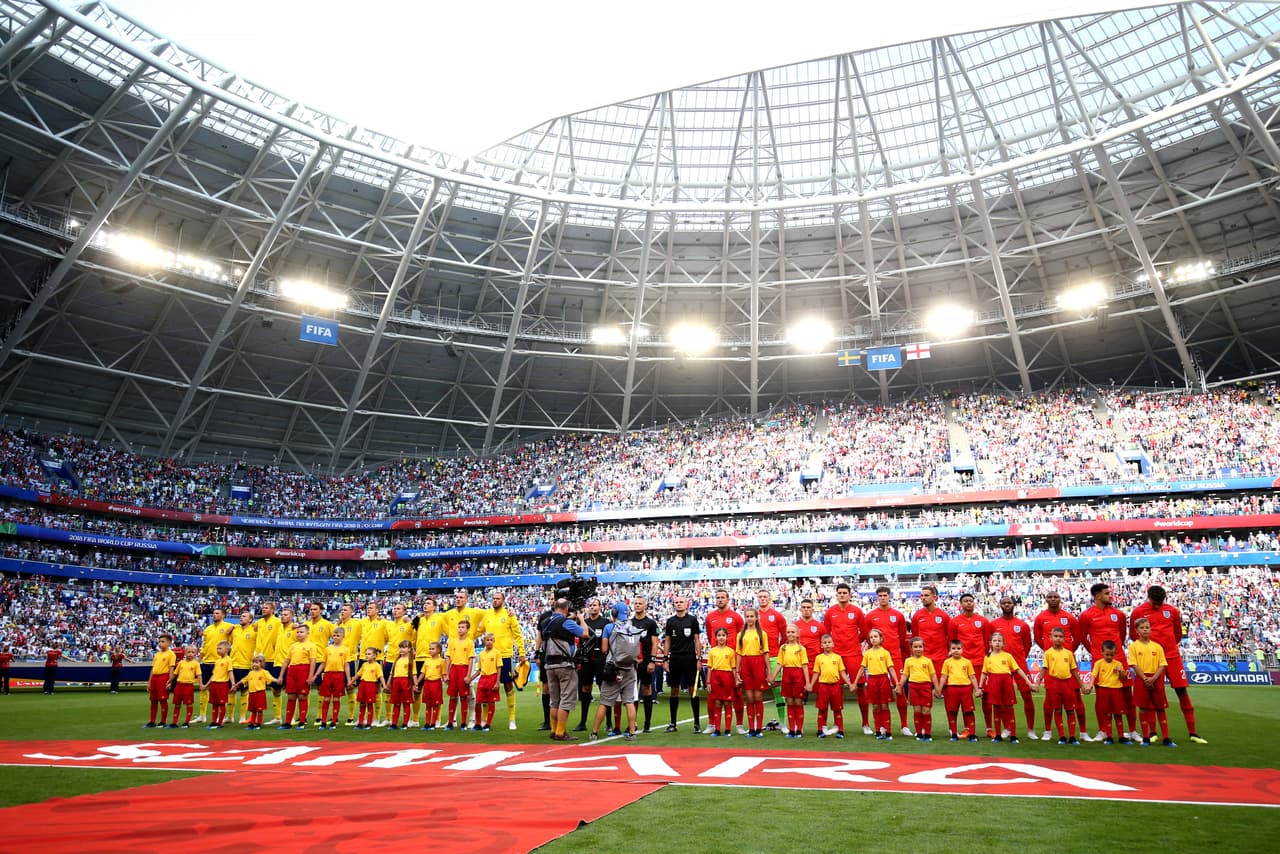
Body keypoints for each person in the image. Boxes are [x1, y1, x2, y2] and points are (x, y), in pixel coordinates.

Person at [1130, 585, 1206, 743]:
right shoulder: (1138, 611)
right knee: (1150, 693)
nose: (1157, 605)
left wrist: (1167, 647)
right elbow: (1133, 634)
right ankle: (1152, 733)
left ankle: (1193, 732)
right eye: (1154, 603)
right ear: (1148, 598)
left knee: (1182, 691)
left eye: (1160, 602)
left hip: (1172, 657)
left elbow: (1178, 633)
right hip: (1151, 658)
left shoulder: (1172, 611)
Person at [1079, 582, 1136, 742]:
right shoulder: (1086, 615)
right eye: (1106, 593)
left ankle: (1132, 730)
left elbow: (1123, 635)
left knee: (1127, 696)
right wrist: (1096, 652)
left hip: (1120, 660)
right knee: (1102, 699)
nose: (1110, 596)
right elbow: (1083, 637)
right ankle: (1103, 730)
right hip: (1100, 661)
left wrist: (1115, 653)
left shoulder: (1118, 614)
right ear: (1097, 596)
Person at [1033, 590, 1086, 740]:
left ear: (1060, 599)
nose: (1053, 599)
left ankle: (1083, 732)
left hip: (1068, 661)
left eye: (1055, 597)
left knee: (1077, 698)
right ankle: (1048, 730)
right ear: (1046, 599)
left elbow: (1078, 637)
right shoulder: (1040, 618)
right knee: (1049, 700)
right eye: (1050, 597)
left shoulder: (1069, 617)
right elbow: (1038, 638)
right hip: (1052, 664)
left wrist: (1068, 651)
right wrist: (1050, 652)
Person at [538, 598, 591, 742]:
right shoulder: (566, 622)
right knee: (566, 700)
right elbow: (585, 633)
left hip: (549, 665)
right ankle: (560, 732)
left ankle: (554, 730)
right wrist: (580, 618)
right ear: (566, 609)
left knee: (554, 700)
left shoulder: (545, 622)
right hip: (565, 664)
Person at [592, 602, 642, 740]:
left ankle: (594, 732)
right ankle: (632, 732)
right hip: (630, 669)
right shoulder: (632, 628)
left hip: (614, 669)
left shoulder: (609, 627)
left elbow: (604, 649)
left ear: (614, 613)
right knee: (629, 701)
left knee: (605, 701)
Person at [865, 586, 912, 735]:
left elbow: (902, 637)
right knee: (879, 695)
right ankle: (881, 725)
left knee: (900, 691)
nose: (883, 598)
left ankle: (904, 725)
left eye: (885, 595)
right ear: (877, 597)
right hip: (877, 659)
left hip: (895, 657)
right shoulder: (871, 616)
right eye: (880, 595)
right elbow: (868, 637)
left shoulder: (898, 615)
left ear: (889, 596)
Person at [822, 582, 868, 733]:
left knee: (860, 687)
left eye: (844, 592)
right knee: (836, 689)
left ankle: (865, 724)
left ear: (849, 594)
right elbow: (826, 634)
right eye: (839, 593)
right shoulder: (830, 612)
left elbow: (864, 632)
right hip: (836, 656)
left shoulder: (857, 611)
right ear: (836, 594)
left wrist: (855, 642)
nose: (842, 595)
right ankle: (837, 724)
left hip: (854, 654)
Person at [478, 591, 526, 731]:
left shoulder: (509, 614)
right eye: (493, 598)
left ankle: (512, 719)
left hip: (505, 655)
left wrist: (521, 653)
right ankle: (485, 719)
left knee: (508, 686)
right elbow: (479, 631)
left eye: (498, 598)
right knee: (486, 687)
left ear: (503, 600)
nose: (495, 600)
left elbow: (518, 635)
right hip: (488, 656)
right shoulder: (487, 614)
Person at [990, 595, 1038, 738]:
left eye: (1009, 602)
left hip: (1019, 665)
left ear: (1014, 605)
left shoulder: (1022, 625)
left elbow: (1027, 644)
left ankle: (1031, 729)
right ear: (1000, 605)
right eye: (1003, 603)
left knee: (1027, 696)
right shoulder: (993, 624)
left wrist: (1019, 658)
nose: (1006, 605)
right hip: (1001, 667)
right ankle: (1007, 728)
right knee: (1003, 699)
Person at [947, 593, 993, 736]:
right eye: (965, 601)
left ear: (974, 603)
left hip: (980, 662)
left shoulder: (983, 621)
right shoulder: (954, 622)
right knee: (965, 698)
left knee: (986, 696)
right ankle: (967, 728)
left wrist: (982, 655)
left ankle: (989, 728)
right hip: (963, 664)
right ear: (961, 604)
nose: (968, 603)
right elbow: (953, 642)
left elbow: (987, 642)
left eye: (971, 601)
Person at [978, 631, 1035, 743]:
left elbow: (1017, 669)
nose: (997, 643)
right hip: (994, 683)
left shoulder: (1008, 656)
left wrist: (1028, 682)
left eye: (999, 641)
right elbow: (984, 673)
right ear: (990, 643)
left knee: (1009, 708)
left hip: (1006, 683)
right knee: (996, 708)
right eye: (995, 641)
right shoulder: (987, 657)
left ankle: (1013, 735)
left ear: (1003, 644)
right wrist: (980, 687)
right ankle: (998, 735)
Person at [704, 589, 747, 735]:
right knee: (713, 696)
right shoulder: (710, 617)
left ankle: (739, 724)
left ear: (728, 599)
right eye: (718, 597)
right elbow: (710, 637)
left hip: (733, 661)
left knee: (737, 693)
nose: (720, 600)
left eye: (723, 597)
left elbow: (742, 637)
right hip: (718, 662)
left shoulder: (736, 617)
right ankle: (712, 724)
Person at [1129, 617, 1174, 747]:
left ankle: (1166, 737)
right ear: (1137, 630)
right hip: (1142, 679)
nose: (1145, 630)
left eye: (1147, 627)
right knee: (1143, 708)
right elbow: (1134, 664)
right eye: (1142, 628)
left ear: (1151, 629)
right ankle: (1146, 737)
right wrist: (1145, 678)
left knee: (1160, 708)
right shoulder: (1134, 646)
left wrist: (1154, 678)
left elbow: (1163, 664)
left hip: (1156, 679)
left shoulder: (1157, 646)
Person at [662, 594, 702, 733]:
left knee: (692, 689)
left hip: (690, 658)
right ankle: (673, 723)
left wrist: (699, 658)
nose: (679, 604)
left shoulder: (692, 620)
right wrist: (665, 659)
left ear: (687, 604)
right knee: (674, 690)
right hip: (675, 658)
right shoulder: (670, 621)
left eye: (681, 602)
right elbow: (667, 640)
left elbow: (697, 639)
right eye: (676, 602)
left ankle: (697, 723)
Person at [1042, 627, 1089, 745]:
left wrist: (1082, 685)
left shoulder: (1068, 653)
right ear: (1051, 638)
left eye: (1061, 637)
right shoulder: (1048, 653)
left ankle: (1072, 736)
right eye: (1056, 636)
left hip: (1067, 684)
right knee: (1057, 710)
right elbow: (1044, 669)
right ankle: (1062, 736)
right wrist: (1037, 682)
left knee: (1070, 710)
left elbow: (1074, 671)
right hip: (1054, 684)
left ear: (1064, 639)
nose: (1058, 639)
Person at [856, 628, 900, 740]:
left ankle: (888, 730)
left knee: (884, 705)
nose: (873, 639)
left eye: (875, 636)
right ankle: (878, 729)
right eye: (871, 637)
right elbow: (862, 668)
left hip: (883, 679)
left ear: (881, 638)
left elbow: (891, 668)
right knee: (875, 705)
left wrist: (897, 683)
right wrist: (855, 682)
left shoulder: (885, 653)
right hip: (872, 680)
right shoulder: (867, 653)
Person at [574, 598, 610, 732]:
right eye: (590, 605)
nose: (592, 607)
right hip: (587, 660)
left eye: (595, 605)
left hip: (601, 659)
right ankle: (583, 721)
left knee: (604, 690)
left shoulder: (605, 622)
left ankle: (609, 722)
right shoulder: (584, 622)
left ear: (600, 607)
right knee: (585, 689)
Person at [806, 633, 851, 738]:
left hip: (835, 686)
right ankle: (820, 729)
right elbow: (816, 673)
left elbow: (842, 672)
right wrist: (811, 684)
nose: (827, 644)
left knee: (837, 709)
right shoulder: (819, 658)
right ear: (821, 645)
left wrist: (849, 683)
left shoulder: (838, 658)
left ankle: (840, 730)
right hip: (823, 687)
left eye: (829, 642)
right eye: (824, 643)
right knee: (822, 708)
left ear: (833, 644)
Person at [279, 623, 322, 730]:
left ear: (308, 633)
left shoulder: (311, 646)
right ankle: (288, 722)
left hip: (303, 670)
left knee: (302, 696)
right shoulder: (293, 646)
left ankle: (302, 721)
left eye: (301, 632)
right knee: (291, 696)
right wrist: (281, 675)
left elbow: (312, 661)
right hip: (292, 670)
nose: (299, 634)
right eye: (297, 632)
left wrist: (311, 676)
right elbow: (286, 661)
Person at [412, 597, 448, 728]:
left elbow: (449, 632)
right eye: (424, 603)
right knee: (417, 689)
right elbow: (413, 637)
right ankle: (415, 719)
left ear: (434, 606)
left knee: (435, 691)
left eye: (428, 603)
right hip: (419, 657)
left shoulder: (439, 619)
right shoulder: (419, 620)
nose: (425, 605)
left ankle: (436, 720)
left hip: (433, 659)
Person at [771, 624, 811, 738]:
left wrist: (807, 682)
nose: (790, 634)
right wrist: (773, 676)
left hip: (798, 675)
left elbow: (804, 666)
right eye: (788, 632)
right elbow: (780, 664)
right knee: (789, 702)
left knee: (798, 702)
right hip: (787, 674)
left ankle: (799, 729)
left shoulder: (801, 649)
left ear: (797, 634)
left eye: (793, 632)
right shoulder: (783, 648)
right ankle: (791, 729)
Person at [756, 589, 788, 730]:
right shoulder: (753, 615)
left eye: (765, 597)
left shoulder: (777, 616)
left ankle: (782, 722)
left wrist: (777, 650)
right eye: (760, 597)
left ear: (770, 599)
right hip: (756, 657)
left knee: (778, 690)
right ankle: (755, 723)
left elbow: (785, 636)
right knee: (756, 691)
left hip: (774, 656)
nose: (762, 599)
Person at [736, 608, 770, 738]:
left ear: (756, 618)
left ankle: (759, 728)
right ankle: (751, 728)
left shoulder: (762, 634)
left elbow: (766, 653)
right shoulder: (741, 635)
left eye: (751, 616)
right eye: (747, 616)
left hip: (758, 663)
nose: (749, 619)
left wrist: (769, 671)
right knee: (749, 697)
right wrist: (737, 671)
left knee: (758, 697)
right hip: (746, 663)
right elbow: (739, 654)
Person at [630, 596, 662, 733]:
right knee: (632, 692)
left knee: (646, 689)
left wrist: (652, 661)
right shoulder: (629, 623)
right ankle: (633, 722)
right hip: (631, 662)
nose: (637, 605)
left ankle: (647, 723)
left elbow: (655, 643)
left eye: (640, 603)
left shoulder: (651, 623)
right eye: (635, 603)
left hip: (646, 661)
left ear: (645, 606)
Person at [198, 608, 234, 723]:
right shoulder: (208, 629)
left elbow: (236, 637)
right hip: (207, 661)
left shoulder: (229, 626)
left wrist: (234, 627)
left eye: (217, 613)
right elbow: (204, 646)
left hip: (220, 662)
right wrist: (198, 660)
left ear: (223, 615)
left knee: (224, 691)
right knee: (204, 688)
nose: (214, 615)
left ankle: (229, 716)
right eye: (214, 613)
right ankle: (202, 715)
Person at [900, 637, 939, 742]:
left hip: (926, 687)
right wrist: (899, 685)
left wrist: (937, 688)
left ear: (924, 648)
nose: (918, 649)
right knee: (917, 710)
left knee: (926, 711)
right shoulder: (908, 661)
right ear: (911, 648)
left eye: (920, 646)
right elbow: (905, 675)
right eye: (915, 647)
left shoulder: (928, 661)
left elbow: (933, 675)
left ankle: (927, 733)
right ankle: (919, 733)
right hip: (913, 687)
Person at [1091, 640, 1130, 744]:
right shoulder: (1098, 663)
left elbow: (1123, 678)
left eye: (1111, 655)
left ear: (1115, 653)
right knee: (1107, 714)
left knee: (1118, 714)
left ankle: (1121, 736)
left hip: (1116, 690)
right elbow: (1093, 675)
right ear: (1102, 652)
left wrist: (1122, 672)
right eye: (1107, 654)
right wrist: (1090, 684)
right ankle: (1109, 737)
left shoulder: (1118, 664)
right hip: (1104, 690)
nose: (1109, 657)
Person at [384, 603, 417, 725]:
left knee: (406, 697)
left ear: (404, 611)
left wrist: (409, 619)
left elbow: (417, 626)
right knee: (388, 691)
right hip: (391, 659)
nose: (396, 611)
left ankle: (411, 720)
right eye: (395, 608)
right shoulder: (389, 625)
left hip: (404, 662)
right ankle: (388, 719)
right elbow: (385, 639)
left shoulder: (408, 625)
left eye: (398, 609)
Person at [358, 603, 390, 725]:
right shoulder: (362, 622)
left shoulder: (383, 622)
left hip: (377, 658)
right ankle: (363, 718)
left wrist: (377, 649)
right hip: (363, 657)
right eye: (367, 608)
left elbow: (387, 637)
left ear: (377, 610)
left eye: (371, 608)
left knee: (377, 689)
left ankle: (376, 718)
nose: (368, 609)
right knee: (364, 686)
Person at [939, 639, 977, 742]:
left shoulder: (967, 662)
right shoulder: (947, 662)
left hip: (965, 689)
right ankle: (954, 734)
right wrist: (939, 689)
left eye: (958, 648)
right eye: (953, 648)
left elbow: (972, 677)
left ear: (962, 650)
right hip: (952, 689)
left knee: (969, 712)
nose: (956, 651)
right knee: (952, 712)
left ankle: (972, 734)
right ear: (950, 650)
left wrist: (977, 689)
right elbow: (943, 676)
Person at [910, 585, 951, 678]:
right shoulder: (917, 616)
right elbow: (915, 637)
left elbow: (949, 636)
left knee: (941, 687)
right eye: (922, 595)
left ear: (934, 597)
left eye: (926, 595)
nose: (923, 598)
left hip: (940, 657)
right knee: (924, 685)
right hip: (923, 657)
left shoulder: (943, 616)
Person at [305, 603, 336, 724]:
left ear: (321, 611)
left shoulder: (327, 624)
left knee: (320, 688)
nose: (312, 611)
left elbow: (338, 636)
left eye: (315, 609)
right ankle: (303, 717)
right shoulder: (306, 624)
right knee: (303, 689)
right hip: (305, 660)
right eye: (311, 609)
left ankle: (319, 716)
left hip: (319, 659)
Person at [253, 602, 283, 725]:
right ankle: (255, 715)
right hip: (260, 659)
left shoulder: (277, 622)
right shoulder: (259, 623)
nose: (263, 609)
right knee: (257, 688)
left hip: (272, 658)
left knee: (275, 689)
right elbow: (250, 627)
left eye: (266, 608)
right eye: (263, 607)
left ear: (273, 610)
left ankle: (277, 716)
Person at [334, 602, 363, 726]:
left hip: (349, 659)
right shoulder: (338, 625)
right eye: (342, 609)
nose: (343, 611)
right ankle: (334, 716)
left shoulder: (357, 624)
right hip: (336, 659)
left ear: (352, 612)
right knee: (335, 689)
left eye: (346, 610)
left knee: (349, 687)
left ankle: (351, 717)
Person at [267, 606, 297, 726]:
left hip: (289, 665)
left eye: (286, 614)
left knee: (291, 692)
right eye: (282, 614)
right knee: (275, 689)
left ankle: (292, 717)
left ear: (292, 617)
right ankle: (277, 717)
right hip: (277, 663)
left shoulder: (295, 629)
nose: (283, 616)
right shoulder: (279, 629)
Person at [706, 627, 738, 737]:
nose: (721, 637)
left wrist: (736, 679)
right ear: (715, 637)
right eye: (719, 635)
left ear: (726, 637)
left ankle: (728, 729)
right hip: (715, 677)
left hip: (727, 677)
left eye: (723, 635)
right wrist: (708, 682)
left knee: (728, 702)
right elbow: (710, 667)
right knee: (717, 702)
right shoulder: (712, 651)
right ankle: (717, 729)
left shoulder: (730, 651)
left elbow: (733, 667)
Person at [445, 618, 475, 730]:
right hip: (454, 669)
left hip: (463, 669)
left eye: (463, 627)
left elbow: (471, 660)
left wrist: (468, 675)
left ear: (467, 630)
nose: (460, 629)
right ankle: (450, 721)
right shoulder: (452, 641)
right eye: (459, 627)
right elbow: (448, 658)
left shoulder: (469, 642)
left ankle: (463, 722)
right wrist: (446, 673)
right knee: (452, 697)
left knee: (463, 697)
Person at [318, 627, 349, 730]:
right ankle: (323, 721)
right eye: (334, 635)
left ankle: (334, 721)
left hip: (339, 675)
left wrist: (349, 679)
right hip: (327, 675)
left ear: (343, 637)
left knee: (336, 698)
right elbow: (323, 663)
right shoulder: (327, 649)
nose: (336, 637)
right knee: (326, 698)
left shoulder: (345, 649)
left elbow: (346, 665)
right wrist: (316, 674)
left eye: (338, 635)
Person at [229, 610, 256, 724]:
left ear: (250, 619)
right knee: (231, 691)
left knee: (244, 692)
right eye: (241, 616)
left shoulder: (254, 630)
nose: (241, 618)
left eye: (244, 616)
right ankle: (229, 717)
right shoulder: (235, 630)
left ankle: (242, 716)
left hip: (245, 665)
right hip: (233, 663)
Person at [144, 633, 176, 728]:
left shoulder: (171, 654)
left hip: (163, 677)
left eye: (163, 641)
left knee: (162, 700)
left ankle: (163, 721)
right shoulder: (157, 654)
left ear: (169, 643)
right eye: (159, 641)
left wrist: (169, 681)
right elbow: (152, 669)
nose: (160, 643)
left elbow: (171, 669)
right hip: (155, 677)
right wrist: (149, 682)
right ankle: (152, 721)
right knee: (153, 700)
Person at [231, 654, 270, 730]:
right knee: (253, 710)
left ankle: (258, 723)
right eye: (253, 662)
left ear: (262, 664)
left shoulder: (264, 672)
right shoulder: (250, 673)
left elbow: (270, 678)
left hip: (260, 693)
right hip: (252, 693)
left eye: (256, 662)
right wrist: (236, 684)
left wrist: (277, 680)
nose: (254, 664)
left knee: (259, 710)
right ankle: (252, 723)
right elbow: (244, 679)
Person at [201, 640, 233, 729]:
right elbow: (213, 674)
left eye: (220, 648)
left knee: (221, 704)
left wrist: (233, 683)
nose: (218, 650)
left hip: (222, 684)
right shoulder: (217, 661)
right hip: (214, 684)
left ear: (227, 650)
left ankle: (220, 722)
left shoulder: (228, 660)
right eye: (217, 649)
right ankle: (214, 721)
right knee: (214, 704)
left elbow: (230, 672)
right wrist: (207, 684)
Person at [351, 647, 384, 730]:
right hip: (362, 685)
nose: (367, 655)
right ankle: (360, 722)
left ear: (374, 656)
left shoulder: (377, 665)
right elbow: (358, 674)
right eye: (366, 654)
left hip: (371, 685)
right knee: (362, 704)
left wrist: (384, 684)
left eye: (369, 654)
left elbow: (381, 676)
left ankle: (369, 723)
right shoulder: (364, 665)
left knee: (369, 704)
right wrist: (351, 681)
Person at [387, 639, 416, 730]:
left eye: (404, 647)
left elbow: (413, 674)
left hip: (406, 682)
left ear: (409, 649)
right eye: (400, 647)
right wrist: (388, 683)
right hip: (396, 682)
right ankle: (394, 723)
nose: (401, 649)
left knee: (406, 703)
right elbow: (392, 673)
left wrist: (415, 684)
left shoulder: (411, 661)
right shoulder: (397, 660)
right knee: (396, 703)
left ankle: (405, 723)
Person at [416, 641, 446, 730]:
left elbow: (444, 673)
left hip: (436, 683)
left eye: (432, 649)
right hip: (427, 683)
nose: (430, 650)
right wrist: (417, 682)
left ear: (439, 650)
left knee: (435, 705)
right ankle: (427, 723)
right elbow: (422, 673)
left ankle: (433, 723)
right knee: (428, 704)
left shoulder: (442, 661)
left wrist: (446, 680)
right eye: (430, 648)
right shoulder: (427, 661)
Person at [169, 644, 201, 727]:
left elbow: (199, 675)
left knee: (189, 704)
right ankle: (174, 722)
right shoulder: (181, 663)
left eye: (192, 652)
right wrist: (169, 682)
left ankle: (187, 722)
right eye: (188, 652)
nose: (190, 654)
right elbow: (175, 674)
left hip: (188, 686)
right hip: (179, 685)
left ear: (195, 653)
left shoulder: (196, 664)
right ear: (185, 653)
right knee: (177, 704)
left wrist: (201, 684)